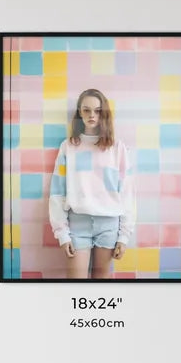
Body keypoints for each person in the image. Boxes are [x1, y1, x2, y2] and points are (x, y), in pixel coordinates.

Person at [48, 88, 135, 279]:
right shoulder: (68, 146)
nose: (92, 115)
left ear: (103, 113)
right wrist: (62, 233)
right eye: (86, 110)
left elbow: (126, 193)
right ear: (79, 112)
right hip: (77, 224)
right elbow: (57, 191)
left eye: (97, 110)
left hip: (109, 224)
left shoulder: (117, 147)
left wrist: (124, 236)